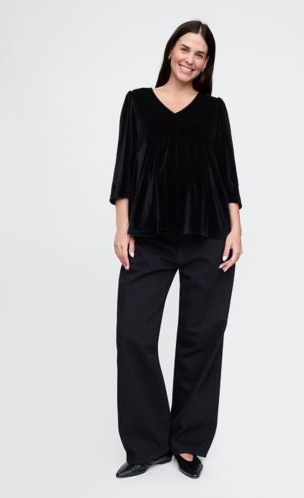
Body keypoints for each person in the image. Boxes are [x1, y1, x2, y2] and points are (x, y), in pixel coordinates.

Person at [109, 20, 243, 480]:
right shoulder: (137, 102)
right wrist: (121, 228)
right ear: (171, 51)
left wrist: (236, 230)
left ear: (206, 64)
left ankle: (187, 441)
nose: (191, 59)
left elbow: (227, 174)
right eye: (185, 49)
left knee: (201, 338)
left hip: (209, 236)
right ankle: (147, 445)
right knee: (134, 335)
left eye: (200, 54)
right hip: (149, 239)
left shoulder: (214, 110)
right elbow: (124, 169)